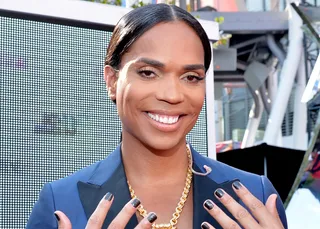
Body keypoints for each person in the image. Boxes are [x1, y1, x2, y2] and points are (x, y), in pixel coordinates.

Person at [26, 4, 287, 229]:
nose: (172, 95)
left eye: (191, 77)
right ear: (112, 80)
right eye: (148, 72)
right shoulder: (60, 202)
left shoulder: (256, 196)